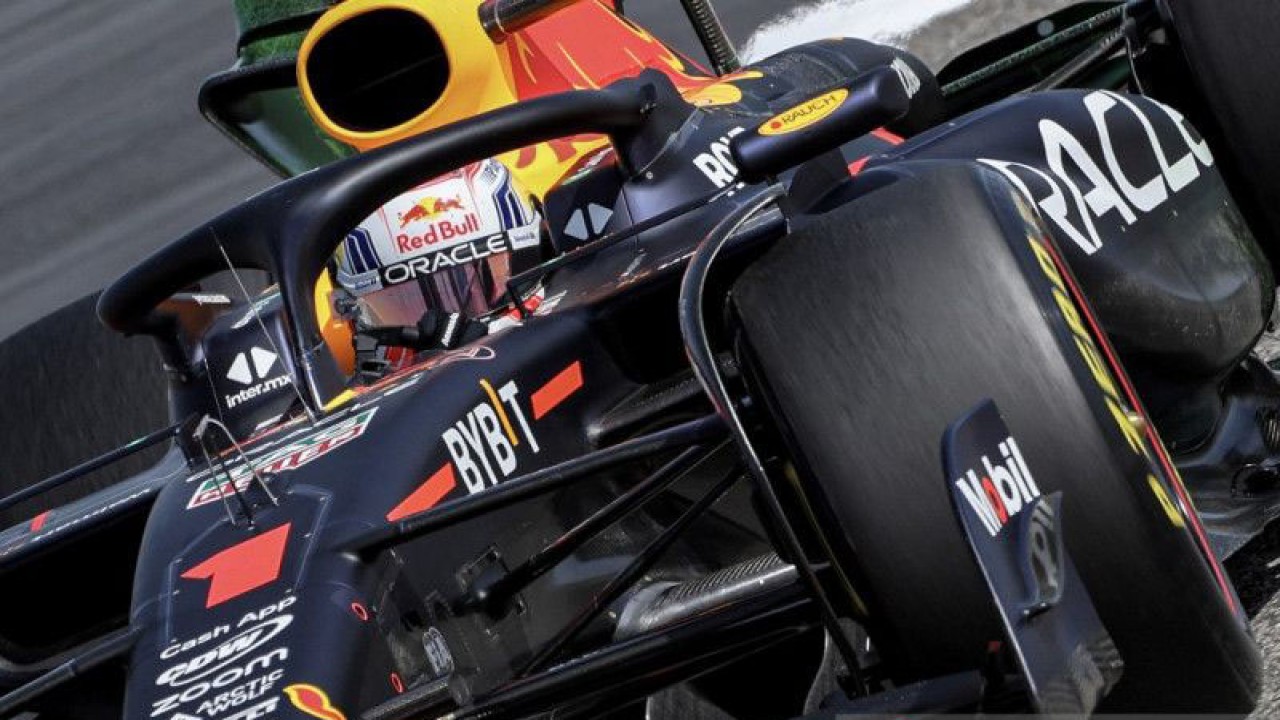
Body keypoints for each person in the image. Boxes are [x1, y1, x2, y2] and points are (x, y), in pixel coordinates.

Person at [330, 158, 544, 380]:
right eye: (405, 299)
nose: (453, 324)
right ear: (349, 306)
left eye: (481, 278)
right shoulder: (350, 388)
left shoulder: (579, 308)